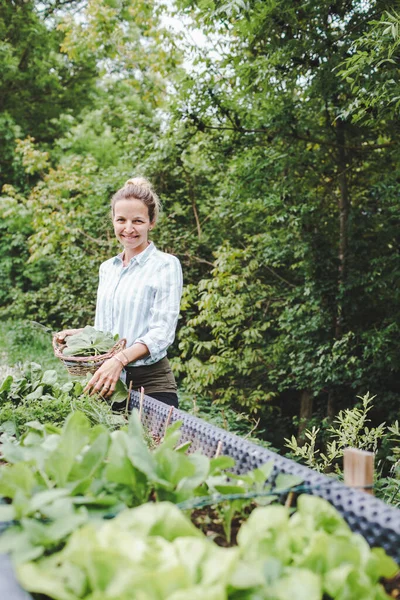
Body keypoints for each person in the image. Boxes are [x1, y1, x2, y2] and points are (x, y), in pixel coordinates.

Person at [57, 177, 183, 408]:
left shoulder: (166, 265)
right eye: (121, 220)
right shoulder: (108, 269)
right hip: (107, 383)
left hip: (150, 383)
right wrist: (80, 335)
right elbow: (108, 331)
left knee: (153, 444)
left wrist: (119, 360)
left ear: (151, 222)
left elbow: (161, 333)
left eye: (137, 221)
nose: (128, 229)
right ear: (113, 222)